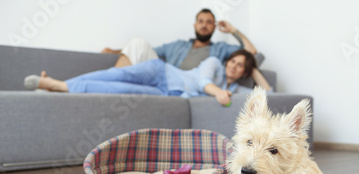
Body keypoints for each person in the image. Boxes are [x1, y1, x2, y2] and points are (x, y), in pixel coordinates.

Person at [24, 50, 271, 106]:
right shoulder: (214, 64)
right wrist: (217, 92)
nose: (236, 68)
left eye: (242, 67)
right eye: (235, 62)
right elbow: (200, 81)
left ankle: (60, 87)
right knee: (116, 74)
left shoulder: (236, 87)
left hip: (166, 94)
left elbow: (269, 95)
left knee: (118, 91)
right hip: (160, 72)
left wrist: (255, 67)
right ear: (228, 61)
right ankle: (56, 83)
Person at [102, 8, 258, 70]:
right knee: (138, 43)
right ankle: (112, 82)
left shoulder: (220, 48)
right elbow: (143, 52)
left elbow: (252, 51)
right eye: (201, 21)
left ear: (214, 27)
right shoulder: (178, 45)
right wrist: (114, 51)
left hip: (186, 83)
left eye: (209, 22)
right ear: (195, 25)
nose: (204, 25)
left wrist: (233, 30)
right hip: (164, 74)